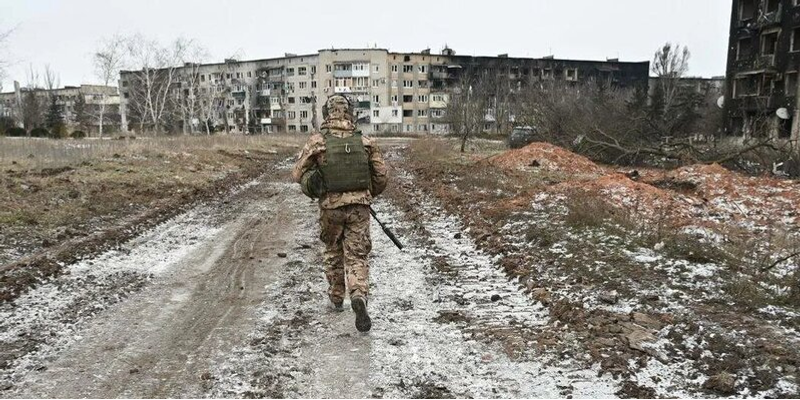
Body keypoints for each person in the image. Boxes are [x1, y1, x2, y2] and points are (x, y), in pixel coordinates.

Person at [292, 94, 388, 333]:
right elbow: (381, 177)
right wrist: (366, 195)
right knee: (357, 254)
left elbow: (297, 174)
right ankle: (358, 295)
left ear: (327, 113)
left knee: (333, 251)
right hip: (359, 207)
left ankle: (336, 297)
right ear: (350, 112)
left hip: (330, 208)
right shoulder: (366, 141)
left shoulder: (317, 141)